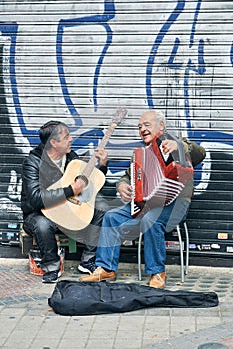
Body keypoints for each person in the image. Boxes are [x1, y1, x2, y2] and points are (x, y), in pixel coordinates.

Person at [80, 109, 206, 288]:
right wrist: (122, 185)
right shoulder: (140, 154)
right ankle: (106, 268)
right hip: (145, 203)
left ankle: (157, 272)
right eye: (140, 127)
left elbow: (200, 153)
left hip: (176, 203)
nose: (143, 129)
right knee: (111, 217)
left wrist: (178, 145)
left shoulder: (176, 143)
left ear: (161, 126)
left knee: (151, 219)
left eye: (147, 125)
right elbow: (127, 176)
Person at [21, 120, 109, 283]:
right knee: (42, 224)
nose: (71, 139)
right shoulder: (32, 163)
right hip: (38, 214)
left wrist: (102, 166)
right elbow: (34, 199)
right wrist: (70, 190)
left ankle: (88, 259)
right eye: (67, 136)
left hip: (68, 210)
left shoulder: (71, 158)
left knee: (102, 207)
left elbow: (87, 183)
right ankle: (51, 265)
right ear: (53, 142)